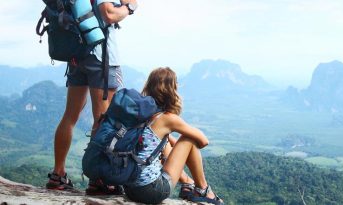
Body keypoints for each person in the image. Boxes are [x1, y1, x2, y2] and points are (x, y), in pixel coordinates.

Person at [46, 0, 137, 193]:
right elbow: (108, 13)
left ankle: (58, 174)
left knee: (70, 116)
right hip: (100, 57)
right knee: (103, 120)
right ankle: (98, 180)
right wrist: (130, 7)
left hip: (76, 55)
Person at [124, 67, 224, 205]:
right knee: (188, 138)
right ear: (171, 89)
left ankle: (189, 184)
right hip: (151, 191)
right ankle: (203, 189)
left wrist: (172, 141)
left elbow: (160, 142)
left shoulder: (142, 114)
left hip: (130, 188)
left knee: (166, 141)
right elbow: (203, 141)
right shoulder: (167, 118)